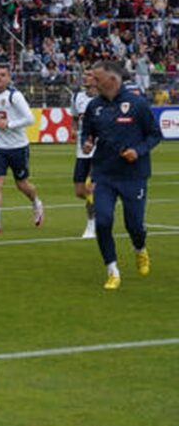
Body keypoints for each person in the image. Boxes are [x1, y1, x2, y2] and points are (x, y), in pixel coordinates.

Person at [81, 60, 160, 289]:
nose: (92, 82)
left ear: (112, 80)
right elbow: (87, 134)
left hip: (133, 175)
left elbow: (155, 134)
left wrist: (138, 151)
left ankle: (140, 248)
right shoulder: (93, 106)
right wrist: (87, 143)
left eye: (96, 78)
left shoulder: (137, 104)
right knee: (103, 222)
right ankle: (112, 270)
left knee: (134, 225)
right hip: (103, 174)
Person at [0, 64, 44, 234]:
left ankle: (36, 202)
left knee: (22, 184)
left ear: (9, 78)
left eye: (3, 74)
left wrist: (9, 124)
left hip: (18, 147)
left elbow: (30, 119)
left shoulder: (14, 96)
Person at [70, 70, 98, 239]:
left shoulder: (104, 99)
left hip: (98, 150)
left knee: (89, 189)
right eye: (85, 74)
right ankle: (104, 201)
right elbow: (74, 117)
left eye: (89, 74)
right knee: (80, 191)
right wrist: (74, 129)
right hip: (81, 151)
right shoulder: (77, 97)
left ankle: (91, 226)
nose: (85, 77)